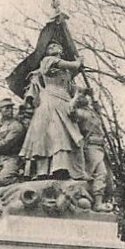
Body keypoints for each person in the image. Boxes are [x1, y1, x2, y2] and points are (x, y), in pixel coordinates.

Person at [19, 42, 86, 181]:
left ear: (61, 48)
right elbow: (72, 65)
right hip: (50, 100)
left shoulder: (66, 72)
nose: (52, 48)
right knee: (50, 135)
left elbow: (71, 87)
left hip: (64, 102)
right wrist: (78, 62)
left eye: (55, 46)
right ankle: (44, 170)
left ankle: (60, 167)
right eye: (49, 47)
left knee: (64, 135)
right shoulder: (48, 61)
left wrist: (83, 91)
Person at [72, 89, 110, 211]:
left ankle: (94, 199)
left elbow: (98, 111)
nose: (84, 97)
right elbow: (70, 111)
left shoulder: (92, 111)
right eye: (81, 96)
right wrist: (77, 95)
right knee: (100, 173)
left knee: (102, 175)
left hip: (100, 146)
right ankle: (97, 203)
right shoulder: (80, 112)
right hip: (91, 146)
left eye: (85, 96)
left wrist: (92, 97)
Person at [0, 97, 25, 205]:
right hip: (0, 160)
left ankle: (24, 184)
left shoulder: (17, 126)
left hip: (12, 158)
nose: (9, 110)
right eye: (6, 108)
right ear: (1, 110)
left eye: (11, 108)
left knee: (3, 179)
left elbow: (5, 145)